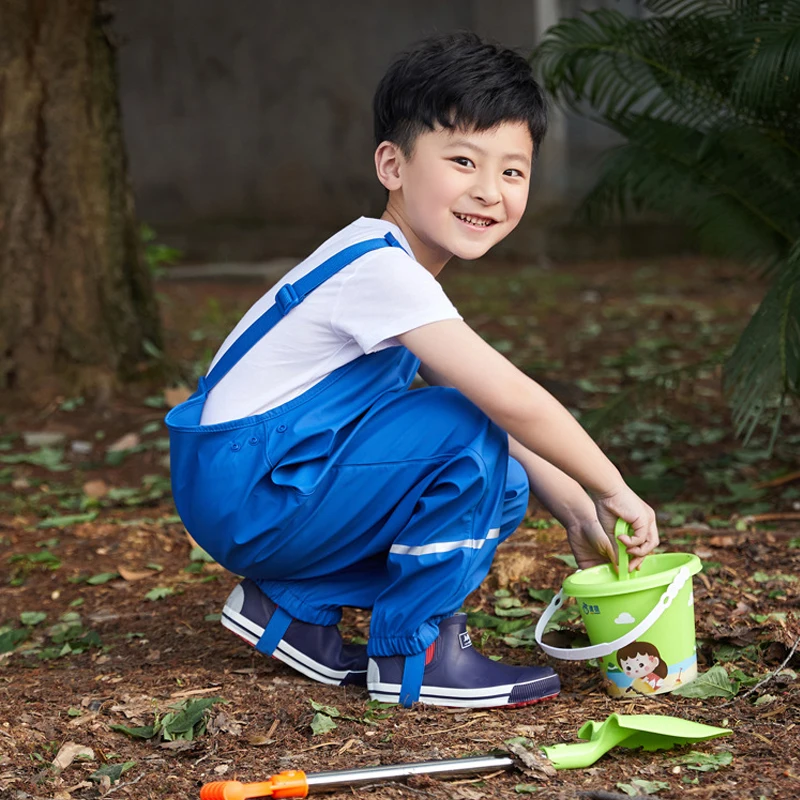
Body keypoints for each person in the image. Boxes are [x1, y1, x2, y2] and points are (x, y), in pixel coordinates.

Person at [166, 31, 659, 710]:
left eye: (512, 172)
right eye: (463, 161)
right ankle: (415, 654)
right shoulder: (381, 271)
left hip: (256, 484)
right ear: (393, 165)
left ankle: (293, 606)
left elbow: (477, 410)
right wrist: (612, 488)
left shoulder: (386, 264)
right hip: (254, 487)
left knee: (502, 479)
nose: (488, 192)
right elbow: (506, 400)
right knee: (463, 426)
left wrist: (575, 509)